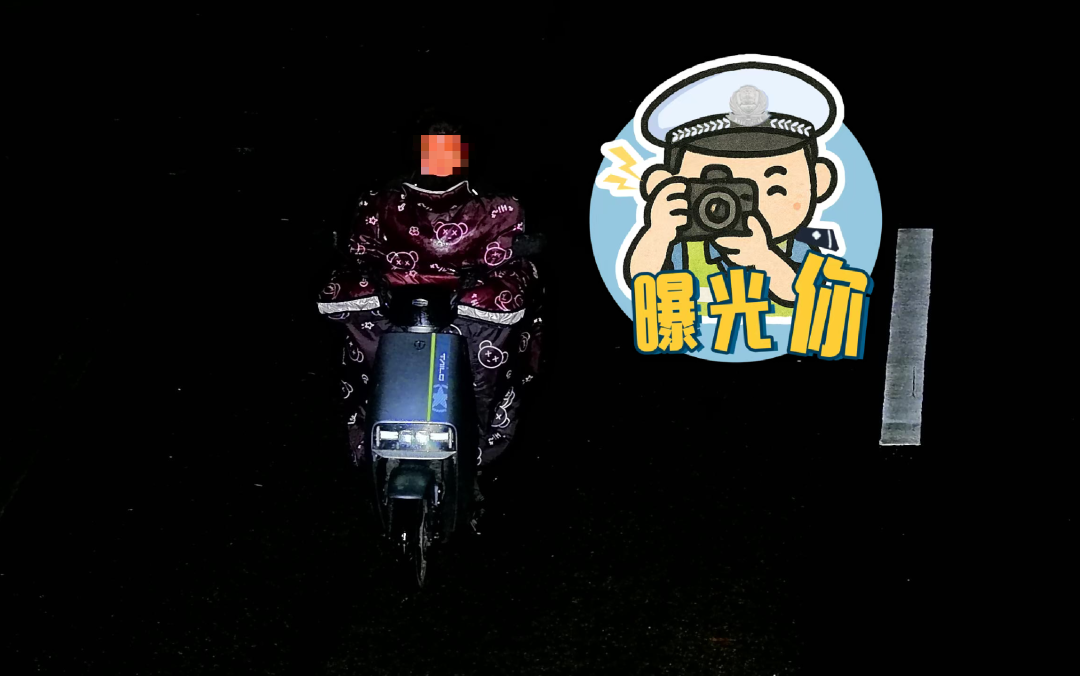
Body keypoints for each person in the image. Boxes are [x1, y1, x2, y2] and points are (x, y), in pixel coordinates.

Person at [317, 109, 542, 525]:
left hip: (470, 311)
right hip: (393, 310)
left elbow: (512, 254)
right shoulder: (381, 202)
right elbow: (358, 251)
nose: (441, 158)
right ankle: (372, 431)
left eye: (450, 147)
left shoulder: (497, 206)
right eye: (432, 147)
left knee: (493, 357)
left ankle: (476, 440)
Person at [624, 61, 843, 320]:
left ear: (819, 181)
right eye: (718, 187)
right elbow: (643, 285)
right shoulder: (684, 247)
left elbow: (815, 298)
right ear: (663, 184)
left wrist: (765, 258)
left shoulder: (799, 246)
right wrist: (657, 234)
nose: (747, 206)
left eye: (775, 188)